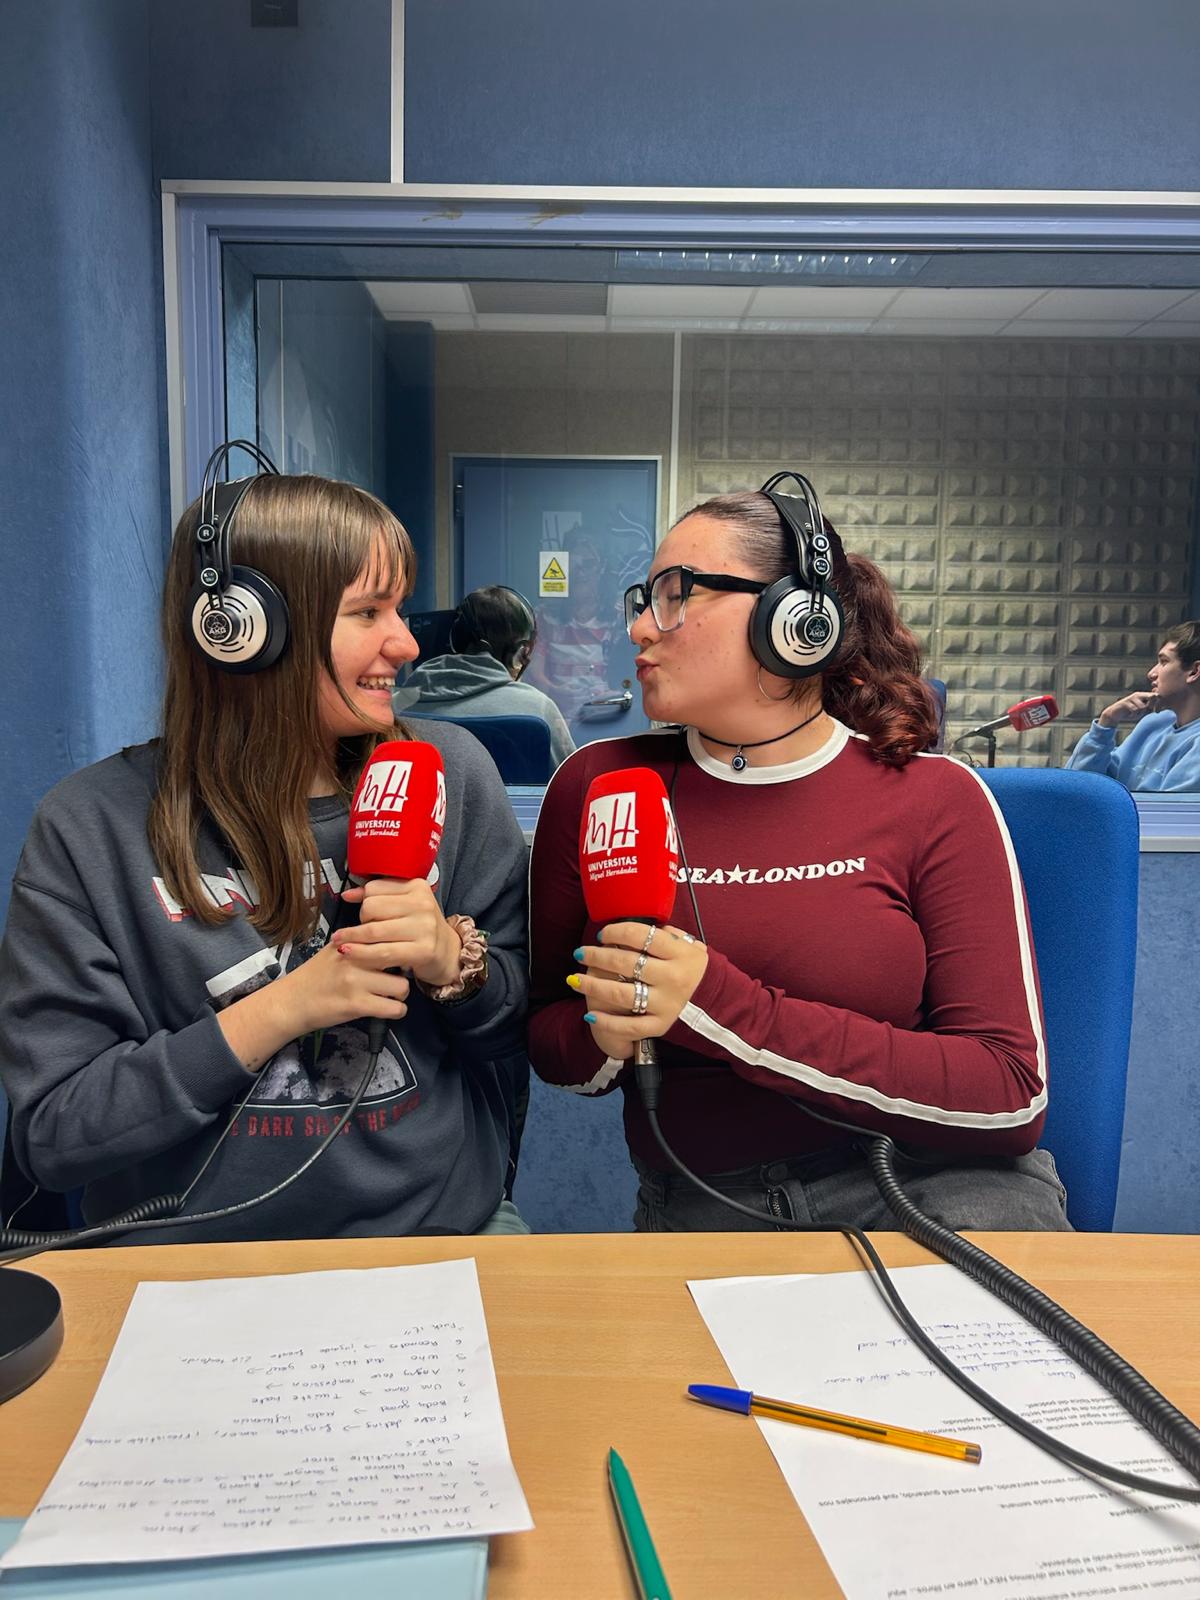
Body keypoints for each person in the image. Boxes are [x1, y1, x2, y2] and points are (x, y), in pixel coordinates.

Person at [0, 462, 530, 1242]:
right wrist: (282, 1010)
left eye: (400, 607)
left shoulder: (450, 774)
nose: (406, 642)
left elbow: (517, 1032)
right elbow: (54, 1135)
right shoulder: (88, 829)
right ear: (241, 630)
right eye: (368, 612)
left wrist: (455, 967)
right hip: (190, 1261)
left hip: (441, 1234)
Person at [528, 479, 1069, 1234]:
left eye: (676, 594)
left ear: (795, 619)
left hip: (935, 1183)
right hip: (707, 1201)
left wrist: (722, 1007)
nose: (642, 628)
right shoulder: (599, 787)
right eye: (643, 600)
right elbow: (550, 1035)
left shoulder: (935, 798)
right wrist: (601, 1037)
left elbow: (1008, 1094)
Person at [400, 584, 575, 769]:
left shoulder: (399, 702)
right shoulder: (538, 708)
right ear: (520, 651)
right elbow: (571, 780)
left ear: (455, 639)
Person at [1065, 621, 1200, 791]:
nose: (1151, 673)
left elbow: (1170, 808)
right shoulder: (1154, 724)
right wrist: (1106, 722)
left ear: (1194, 672)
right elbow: (1075, 786)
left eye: (1164, 662)